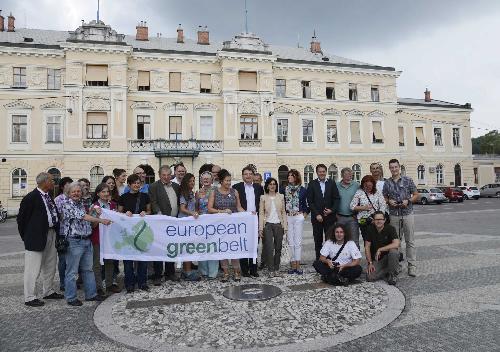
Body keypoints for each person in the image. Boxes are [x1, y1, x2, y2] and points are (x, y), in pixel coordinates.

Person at [60, 181, 112, 306]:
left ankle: (91, 294)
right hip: (74, 241)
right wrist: (101, 220)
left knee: (88, 270)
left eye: (78, 191)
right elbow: (83, 217)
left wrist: (95, 212)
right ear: (69, 193)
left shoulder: (80, 204)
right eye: (74, 191)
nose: (76, 193)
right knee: (72, 272)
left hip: (86, 240)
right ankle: (71, 298)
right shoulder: (66, 204)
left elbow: (88, 218)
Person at [17, 172, 64, 307]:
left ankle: (48, 291)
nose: (54, 182)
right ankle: (29, 297)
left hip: (51, 234)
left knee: (50, 265)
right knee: (33, 269)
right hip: (35, 237)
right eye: (52, 180)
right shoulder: (31, 197)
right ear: (45, 182)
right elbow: (21, 220)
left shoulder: (48, 196)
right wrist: (26, 237)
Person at [383, 158, 419, 277]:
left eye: (395, 167)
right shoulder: (387, 182)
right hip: (394, 215)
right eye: (391, 167)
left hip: (407, 213)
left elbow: (416, 195)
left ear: (399, 167)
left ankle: (411, 266)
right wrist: (389, 202)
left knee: (410, 241)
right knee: (396, 242)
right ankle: (397, 265)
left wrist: (408, 201)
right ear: (389, 169)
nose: (394, 169)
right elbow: (384, 197)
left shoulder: (408, 180)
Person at [208, 169, 245, 282]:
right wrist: (222, 211)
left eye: (230, 180)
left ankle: (237, 272)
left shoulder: (235, 192)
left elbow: (238, 207)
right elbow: (209, 209)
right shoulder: (214, 192)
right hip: (220, 226)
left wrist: (248, 214)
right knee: (222, 249)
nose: (229, 183)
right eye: (227, 180)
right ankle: (225, 272)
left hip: (233, 227)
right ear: (221, 181)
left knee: (234, 248)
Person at [118, 174, 152, 293]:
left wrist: (145, 213)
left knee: (143, 258)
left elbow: (149, 211)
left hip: (142, 231)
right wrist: (125, 214)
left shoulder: (145, 196)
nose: (137, 185)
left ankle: (142, 282)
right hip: (128, 232)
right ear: (129, 185)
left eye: (138, 183)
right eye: (134, 183)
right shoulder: (123, 197)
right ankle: (130, 283)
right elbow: (119, 214)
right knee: (128, 259)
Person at [148, 165, 180, 284]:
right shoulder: (154, 186)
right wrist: (160, 214)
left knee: (171, 247)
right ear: (159, 174)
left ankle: (170, 272)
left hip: (173, 222)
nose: (166, 177)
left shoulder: (176, 186)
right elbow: (153, 202)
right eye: (163, 175)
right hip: (160, 223)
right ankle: (157, 274)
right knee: (159, 248)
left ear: (171, 175)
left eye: (168, 175)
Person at [233, 166, 264, 277]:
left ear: (253, 175)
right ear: (242, 176)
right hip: (242, 220)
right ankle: (245, 270)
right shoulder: (236, 187)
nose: (248, 176)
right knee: (243, 244)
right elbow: (235, 204)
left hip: (255, 221)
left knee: (254, 245)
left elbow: (262, 204)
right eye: (246, 174)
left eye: (250, 174)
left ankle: (254, 269)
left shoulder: (258, 187)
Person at [89, 183, 120, 295]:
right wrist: (97, 216)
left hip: (110, 238)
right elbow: (92, 226)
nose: (106, 194)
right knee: (97, 263)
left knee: (110, 261)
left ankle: (109, 284)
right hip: (98, 237)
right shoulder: (94, 206)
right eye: (103, 192)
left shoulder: (113, 205)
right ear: (98, 193)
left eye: (107, 191)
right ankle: (98, 286)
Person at [307, 163, 340, 260]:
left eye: (323, 171)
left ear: (326, 172)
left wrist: (332, 210)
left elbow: (336, 198)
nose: (322, 173)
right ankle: (319, 261)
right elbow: (310, 201)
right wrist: (317, 214)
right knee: (318, 240)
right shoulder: (312, 184)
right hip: (317, 218)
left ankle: (329, 260)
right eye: (319, 171)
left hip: (330, 217)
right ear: (316, 172)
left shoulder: (331, 183)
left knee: (329, 240)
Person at [259, 177, 287, 275]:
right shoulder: (263, 197)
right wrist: (260, 228)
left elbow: (283, 212)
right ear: (267, 186)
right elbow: (261, 213)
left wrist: (285, 226)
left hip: (278, 224)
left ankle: (276, 268)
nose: (272, 186)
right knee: (269, 248)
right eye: (270, 184)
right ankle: (271, 269)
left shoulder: (281, 196)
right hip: (268, 225)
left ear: (276, 186)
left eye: (274, 184)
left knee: (278, 248)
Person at [283, 169, 308, 275]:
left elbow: (307, 204)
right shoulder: (284, 189)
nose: (289, 177)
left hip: (298, 216)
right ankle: (292, 265)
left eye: (291, 176)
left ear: (296, 177)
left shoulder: (302, 190)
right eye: (288, 176)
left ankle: (298, 265)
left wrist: (304, 215)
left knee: (297, 242)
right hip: (288, 216)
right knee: (290, 242)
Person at [365, 211, 400, 285]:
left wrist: (380, 249)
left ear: (384, 220)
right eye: (376, 219)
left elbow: (396, 244)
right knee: (370, 277)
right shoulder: (370, 229)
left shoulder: (391, 228)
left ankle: (392, 275)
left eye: (381, 219)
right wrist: (370, 263)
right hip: (378, 259)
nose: (378, 221)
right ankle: (392, 268)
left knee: (394, 251)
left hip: (389, 256)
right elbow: (367, 247)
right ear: (373, 221)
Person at [178, 173, 201, 281]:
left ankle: (186, 270)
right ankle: (187, 272)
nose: (192, 183)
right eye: (190, 181)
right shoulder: (184, 193)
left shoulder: (191, 193)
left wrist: (196, 199)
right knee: (187, 247)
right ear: (186, 182)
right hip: (184, 223)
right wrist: (192, 213)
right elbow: (182, 208)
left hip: (191, 223)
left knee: (189, 246)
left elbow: (194, 208)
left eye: (193, 181)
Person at [196, 171, 219, 279]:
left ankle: (213, 272)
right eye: (204, 178)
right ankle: (204, 271)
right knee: (202, 246)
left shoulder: (216, 191)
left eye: (208, 178)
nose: (205, 180)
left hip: (213, 221)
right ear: (201, 180)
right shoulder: (198, 192)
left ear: (212, 180)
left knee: (212, 246)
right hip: (201, 223)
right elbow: (197, 207)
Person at [351, 175, 387, 241]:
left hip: (376, 220)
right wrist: (363, 208)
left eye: (370, 186)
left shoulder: (377, 192)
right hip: (363, 221)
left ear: (373, 185)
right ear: (363, 185)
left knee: (377, 241)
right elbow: (352, 206)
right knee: (367, 241)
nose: (368, 188)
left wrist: (379, 218)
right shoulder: (359, 192)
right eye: (366, 186)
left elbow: (383, 205)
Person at [54, 176, 73, 292]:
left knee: (73, 259)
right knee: (63, 260)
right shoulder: (58, 200)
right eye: (68, 184)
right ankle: (62, 282)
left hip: (73, 232)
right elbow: (57, 216)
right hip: (62, 233)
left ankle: (71, 281)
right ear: (62, 187)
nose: (70, 186)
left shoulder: (74, 198)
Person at [336, 168, 361, 248]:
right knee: (340, 239)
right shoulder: (336, 185)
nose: (348, 177)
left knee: (354, 240)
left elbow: (361, 199)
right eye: (346, 175)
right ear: (342, 175)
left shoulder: (356, 185)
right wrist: (335, 214)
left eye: (350, 175)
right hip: (340, 217)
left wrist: (357, 213)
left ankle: (356, 259)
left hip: (352, 217)